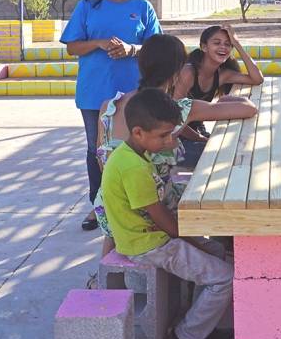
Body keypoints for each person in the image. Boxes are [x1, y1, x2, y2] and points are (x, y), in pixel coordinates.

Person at [101, 88, 234, 339]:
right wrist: (194, 239)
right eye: (163, 136)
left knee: (216, 250)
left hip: (152, 236)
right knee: (225, 277)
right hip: (148, 245)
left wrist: (200, 242)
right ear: (138, 132)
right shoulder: (133, 168)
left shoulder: (132, 154)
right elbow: (166, 224)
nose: (170, 141)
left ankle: (201, 324)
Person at [93, 33, 257, 237]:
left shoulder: (108, 107)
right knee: (218, 191)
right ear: (178, 71)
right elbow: (249, 109)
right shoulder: (177, 108)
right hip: (151, 215)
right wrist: (224, 100)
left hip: (110, 210)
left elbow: (101, 161)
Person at [61, 0, 161, 231]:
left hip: (133, 92)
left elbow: (156, 46)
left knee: (137, 146)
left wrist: (132, 49)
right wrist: (99, 43)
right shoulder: (87, 6)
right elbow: (72, 47)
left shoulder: (142, 7)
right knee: (97, 150)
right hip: (94, 92)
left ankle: (142, 203)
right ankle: (99, 206)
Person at [174, 23, 263, 166]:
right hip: (174, 139)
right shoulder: (188, 72)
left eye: (228, 44)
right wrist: (202, 139)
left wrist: (237, 43)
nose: (223, 47)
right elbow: (173, 119)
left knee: (243, 148)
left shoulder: (221, 75)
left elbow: (257, 79)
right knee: (226, 157)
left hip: (197, 132)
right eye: (217, 43)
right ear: (204, 47)